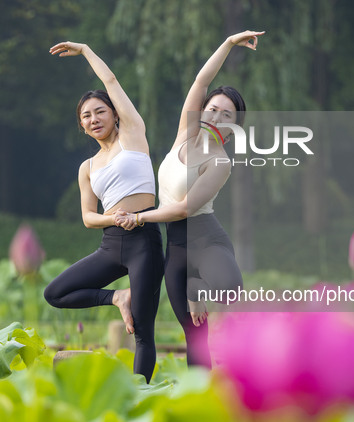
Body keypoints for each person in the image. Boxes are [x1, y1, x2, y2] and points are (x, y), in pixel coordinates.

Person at [115, 30, 265, 368]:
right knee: (194, 335)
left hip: (206, 240)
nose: (216, 117)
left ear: (234, 128)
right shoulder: (184, 133)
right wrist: (227, 43)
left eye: (227, 116)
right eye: (213, 109)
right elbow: (201, 81)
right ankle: (199, 401)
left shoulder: (220, 162)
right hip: (177, 250)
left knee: (230, 290)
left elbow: (183, 208)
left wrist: (139, 217)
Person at [43, 41, 164, 383]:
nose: (93, 119)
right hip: (111, 243)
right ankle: (117, 297)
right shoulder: (87, 167)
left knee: (142, 331)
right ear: (81, 126)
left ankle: (141, 397)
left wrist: (85, 51)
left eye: (99, 112)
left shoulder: (133, 136)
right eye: (86, 116)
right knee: (55, 293)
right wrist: (113, 219)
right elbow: (88, 217)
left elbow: (111, 81)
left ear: (114, 114)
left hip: (144, 242)